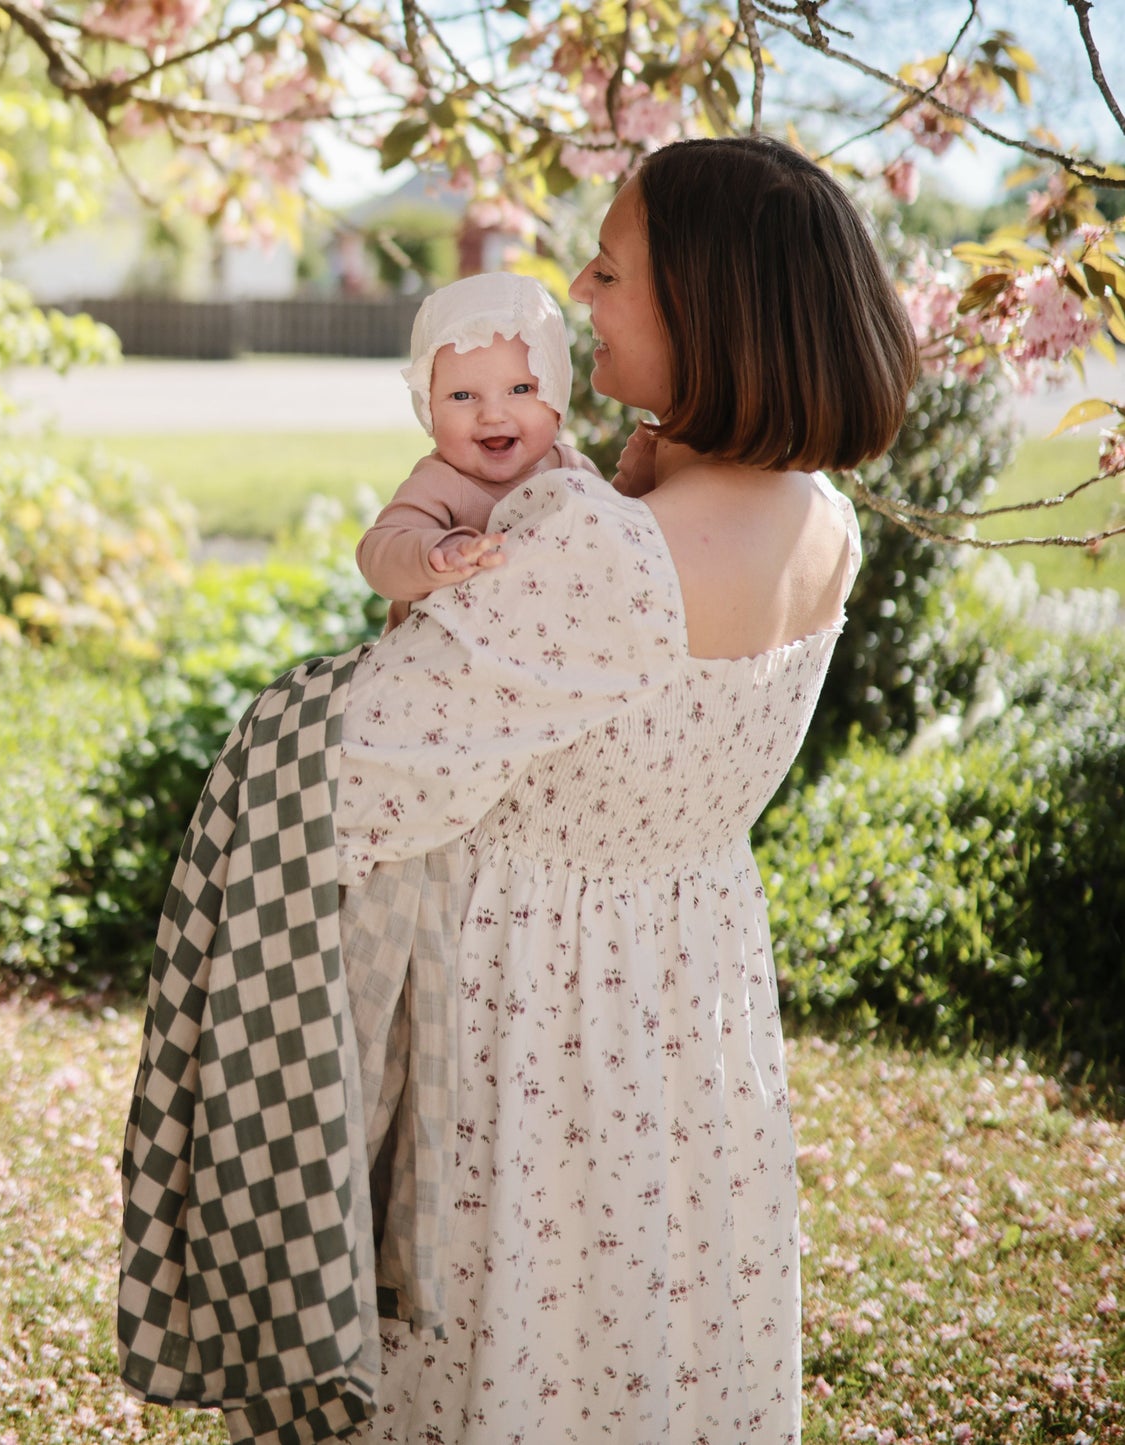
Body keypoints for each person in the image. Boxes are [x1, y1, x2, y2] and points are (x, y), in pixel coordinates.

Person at [118, 134, 917, 1445]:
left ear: (710, 307)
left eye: (610, 271)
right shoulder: (817, 515)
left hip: (533, 1020)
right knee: (649, 1337)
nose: (579, 296)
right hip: (687, 997)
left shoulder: (600, 548)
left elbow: (359, 779)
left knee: (508, 1353)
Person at [357, 271, 602, 632]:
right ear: (428, 407)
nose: (492, 415)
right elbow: (378, 555)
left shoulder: (575, 471)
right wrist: (436, 553)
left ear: (555, 392)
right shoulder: (442, 481)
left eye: (520, 389)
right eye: (462, 396)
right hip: (442, 670)